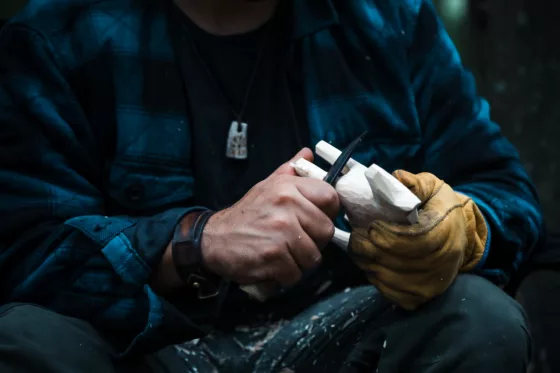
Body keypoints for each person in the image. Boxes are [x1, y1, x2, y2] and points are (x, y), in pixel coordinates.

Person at [0, 0, 544, 372]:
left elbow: (502, 187)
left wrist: (463, 230)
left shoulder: (389, 20)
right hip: (141, 348)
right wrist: (195, 243)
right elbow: (22, 252)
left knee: (478, 316)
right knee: (27, 339)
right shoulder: (59, 36)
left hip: (343, 335)